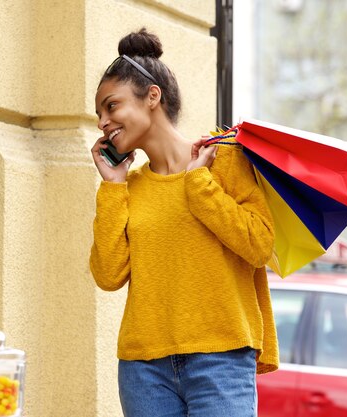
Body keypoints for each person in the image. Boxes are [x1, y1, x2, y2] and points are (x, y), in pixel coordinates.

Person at [89, 28, 279, 417]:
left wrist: (199, 185)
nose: (102, 123)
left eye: (111, 106)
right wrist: (112, 187)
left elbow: (260, 246)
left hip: (221, 361)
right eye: (100, 114)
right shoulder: (128, 187)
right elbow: (108, 276)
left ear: (152, 97)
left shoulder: (222, 159)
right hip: (144, 369)